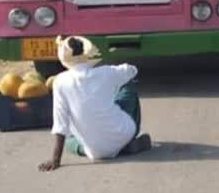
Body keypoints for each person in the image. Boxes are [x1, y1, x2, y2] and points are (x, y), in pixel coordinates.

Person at [38, 36, 151, 172]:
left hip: (94, 151)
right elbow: (132, 70)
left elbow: (60, 124)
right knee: (128, 83)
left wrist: (55, 160)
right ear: (86, 53)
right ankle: (127, 143)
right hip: (123, 134)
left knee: (69, 141)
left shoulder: (59, 82)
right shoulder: (106, 72)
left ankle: (89, 149)